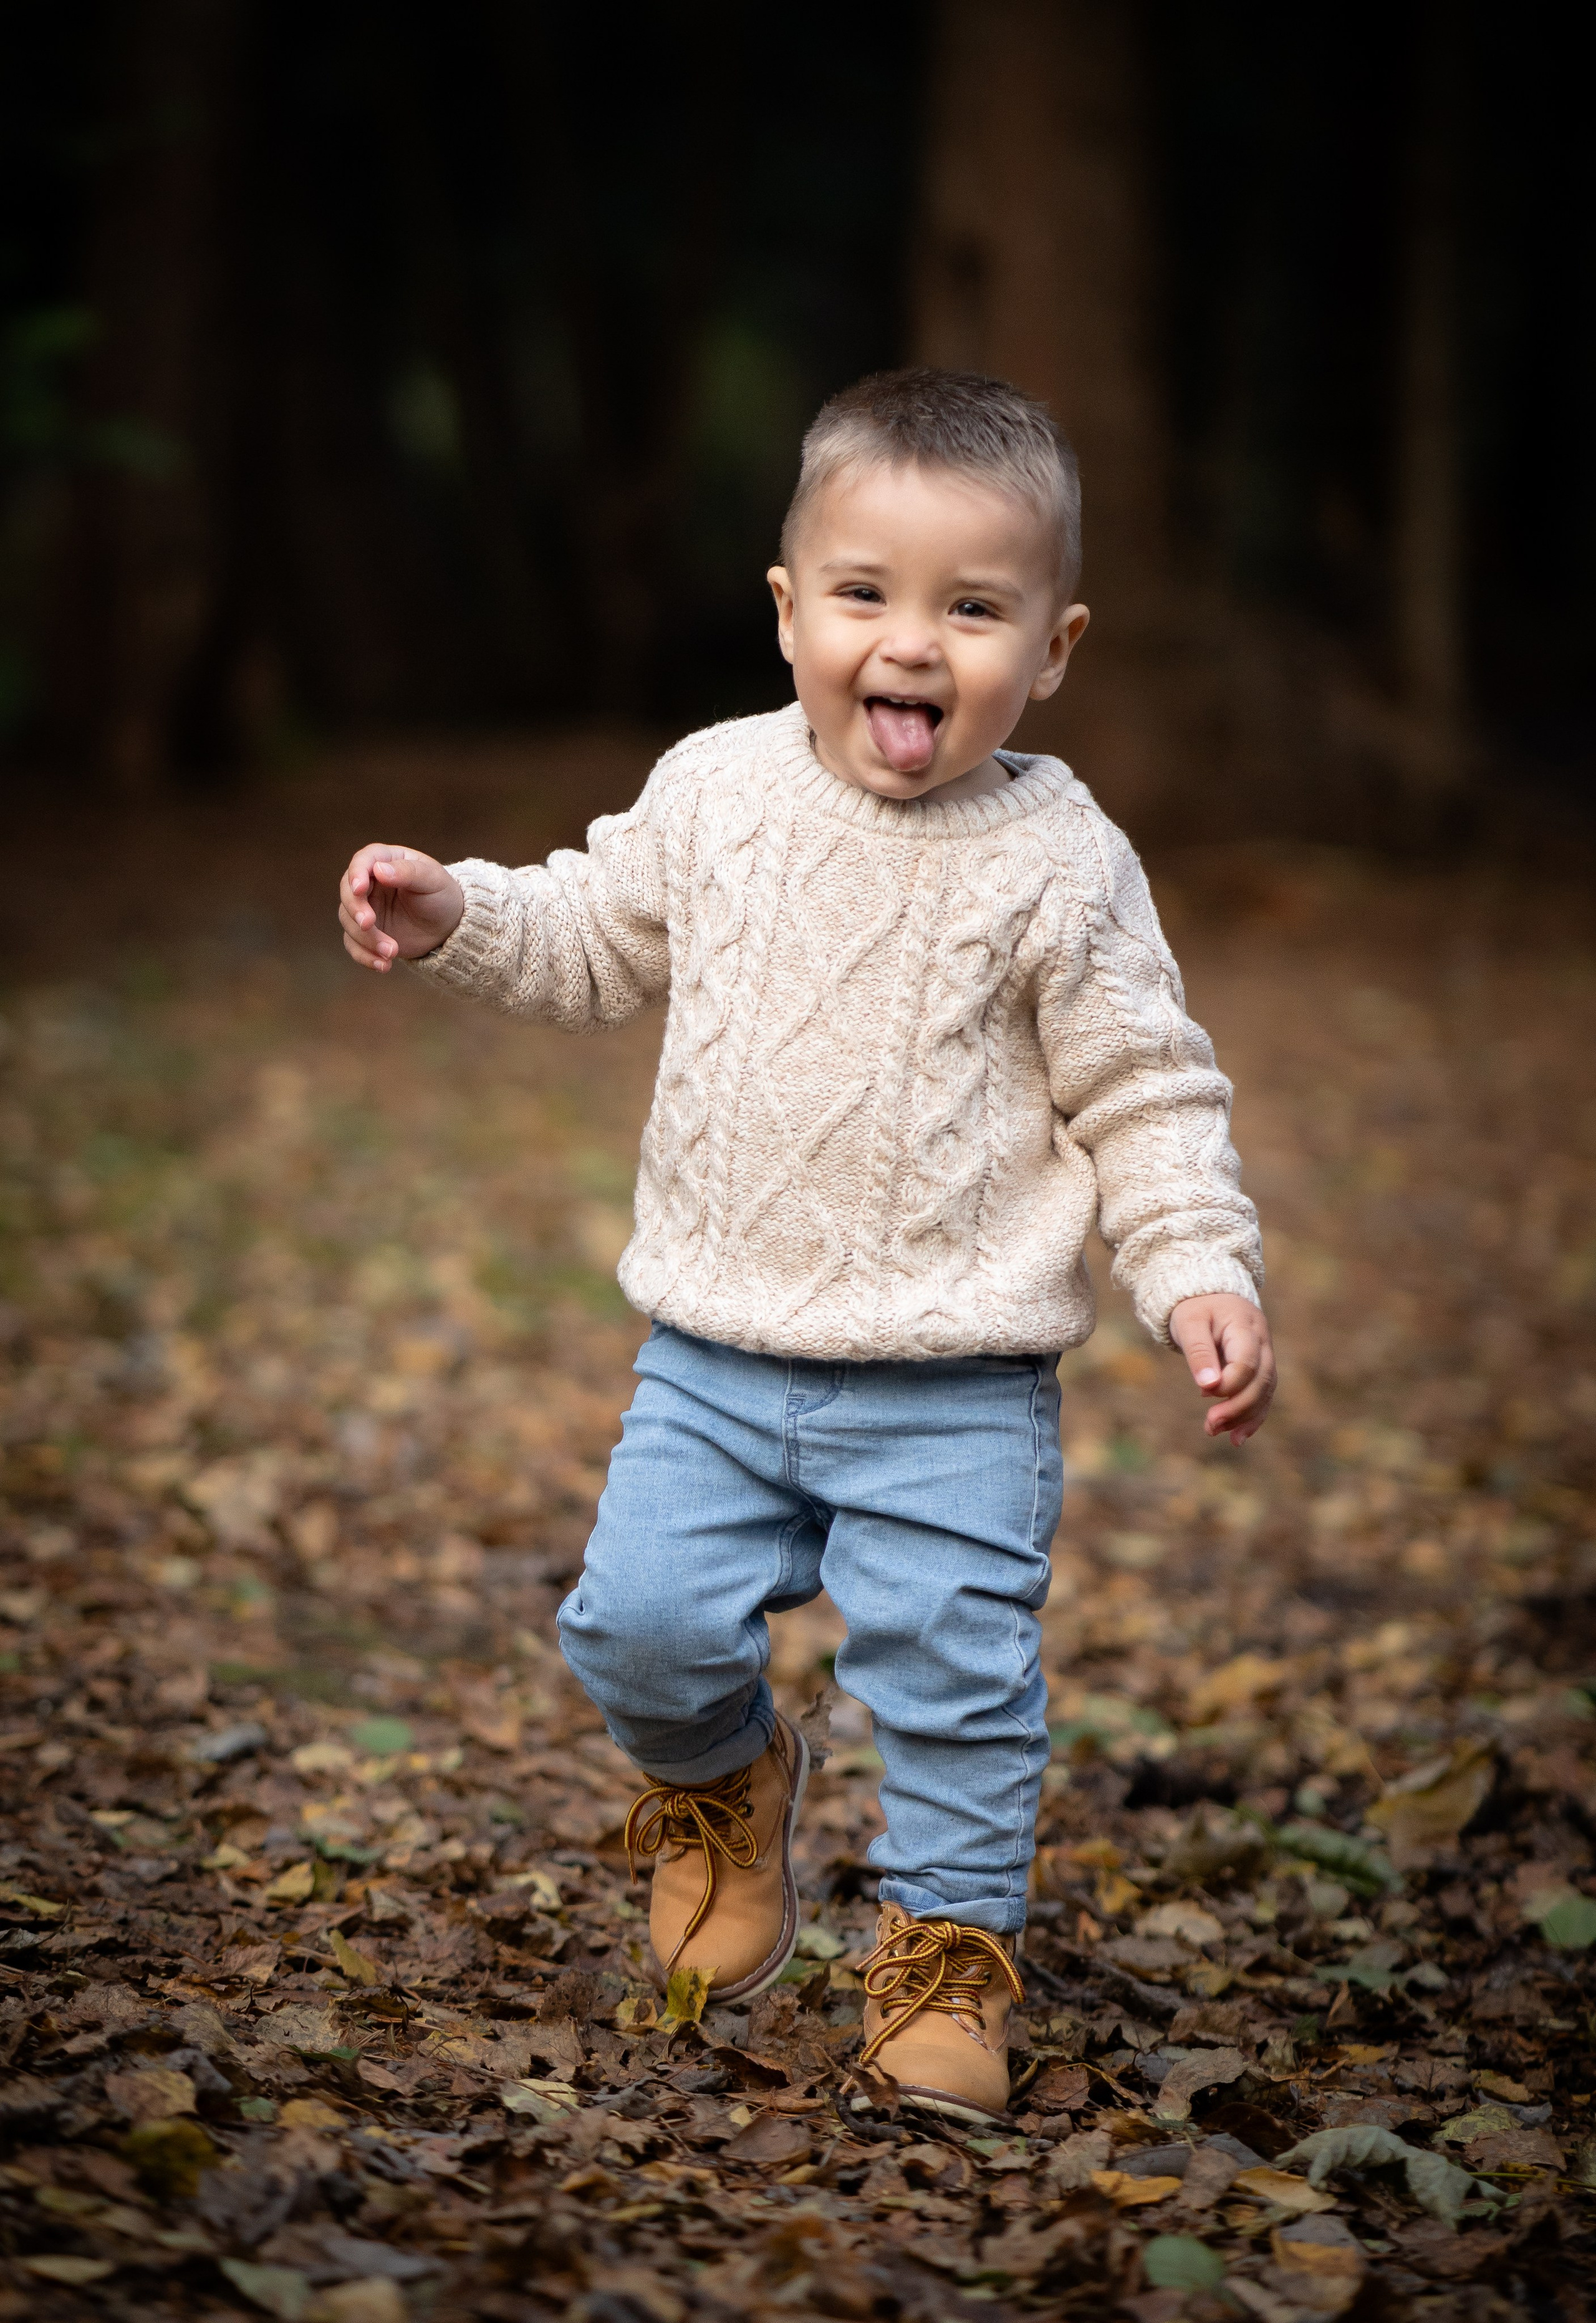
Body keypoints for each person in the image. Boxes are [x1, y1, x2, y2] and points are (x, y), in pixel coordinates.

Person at [336, 367, 1275, 2126]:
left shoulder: (1063, 863)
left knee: (954, 1686)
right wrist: (463, 908)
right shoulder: (714, 792)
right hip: (716, 1355)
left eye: (973, 609)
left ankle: (942, 1953)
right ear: (789, 611)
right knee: (633, 1625)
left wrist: (1197, 1267)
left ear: (1055, 649)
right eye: (867, 594)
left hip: (958, 1382)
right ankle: (724, 1784)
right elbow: (594, 937)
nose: (911, 646)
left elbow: (1146, 1091)